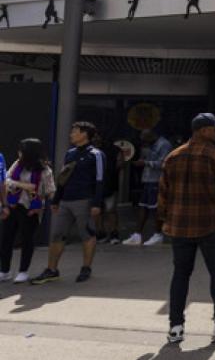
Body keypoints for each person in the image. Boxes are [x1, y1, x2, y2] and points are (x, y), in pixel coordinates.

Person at [160, 113, 215, 344]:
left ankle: (175, 327)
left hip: (179, 227)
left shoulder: (172, 157)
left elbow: (163, 195)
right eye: (213, 129)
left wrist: (164, 220)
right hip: (209, 225)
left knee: (180, 275)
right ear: (202, 131)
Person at [32, 121, 105, 285]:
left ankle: (86, 268)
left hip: (85, 200)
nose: (71, 134)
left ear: (84, 134)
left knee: (87, 234)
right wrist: (57, 199)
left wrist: (96, 203)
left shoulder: (96, 154)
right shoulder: (70, 153)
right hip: (65, 201)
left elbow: (100, 180)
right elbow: (63, 177)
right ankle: (51, 270)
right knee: (57, 234)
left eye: (75, 131)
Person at [1, 139, 55, 283]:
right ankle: (4, 270)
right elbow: (7, 180)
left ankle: (23, 271)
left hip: (31, 209)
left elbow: (49, 191)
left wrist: (36, 198)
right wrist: (24, 185)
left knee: (27, 240)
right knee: (6, 239)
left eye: (22, 150)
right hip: (13, 206)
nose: (19, 153)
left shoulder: (45, 170)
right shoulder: (17, 164)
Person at [124, 130, 172, 246]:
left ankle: (157, 234)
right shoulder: (149, 145)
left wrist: (145, 163)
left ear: (152, 136)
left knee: (155, 208)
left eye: (145, 139)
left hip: (157, 180)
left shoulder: (164, 145)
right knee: (143, 206)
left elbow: (163, 163)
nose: (144, 142)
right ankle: (137, 235)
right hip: (147, 179)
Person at [93, 134, 124, 245]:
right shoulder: (89, 151)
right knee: (98, 211)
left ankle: (112, 234)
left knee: (110, 210)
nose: (96, 138)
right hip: (96, 186)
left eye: (98, 136)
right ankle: (101, 233)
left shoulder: (113, 150)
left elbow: (120, 164)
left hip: (109, 184)